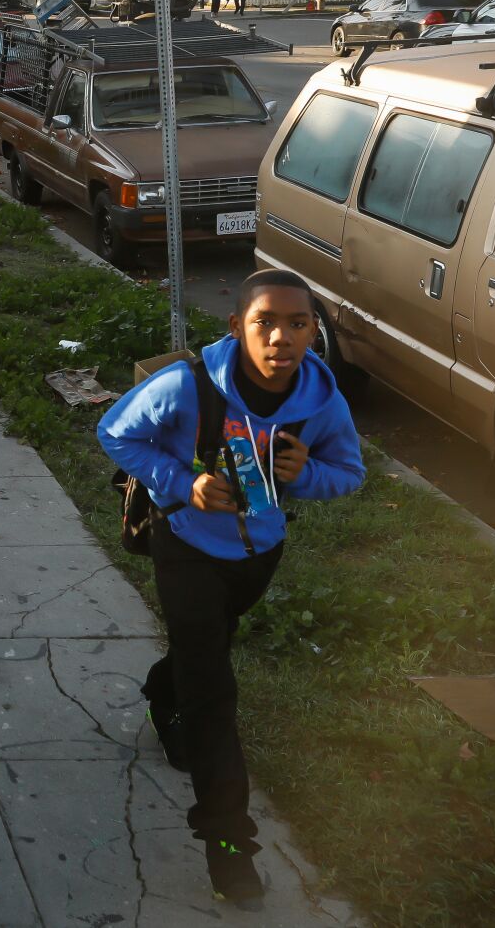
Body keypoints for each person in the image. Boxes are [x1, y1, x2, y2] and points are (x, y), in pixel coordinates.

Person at [97, 270, 365, 908]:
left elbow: (348, 471)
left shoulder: (322, 398)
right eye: (264, 322)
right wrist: (178, 484)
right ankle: (228, 847)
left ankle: (166, 692)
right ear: (236, 327)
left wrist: (307, 475)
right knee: (214, 693)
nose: (281, 337)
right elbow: (114, 432)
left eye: (298, 324)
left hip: (258, 556)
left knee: (203, 653)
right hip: (185, 546)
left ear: (313, 331)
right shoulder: (187, 385)